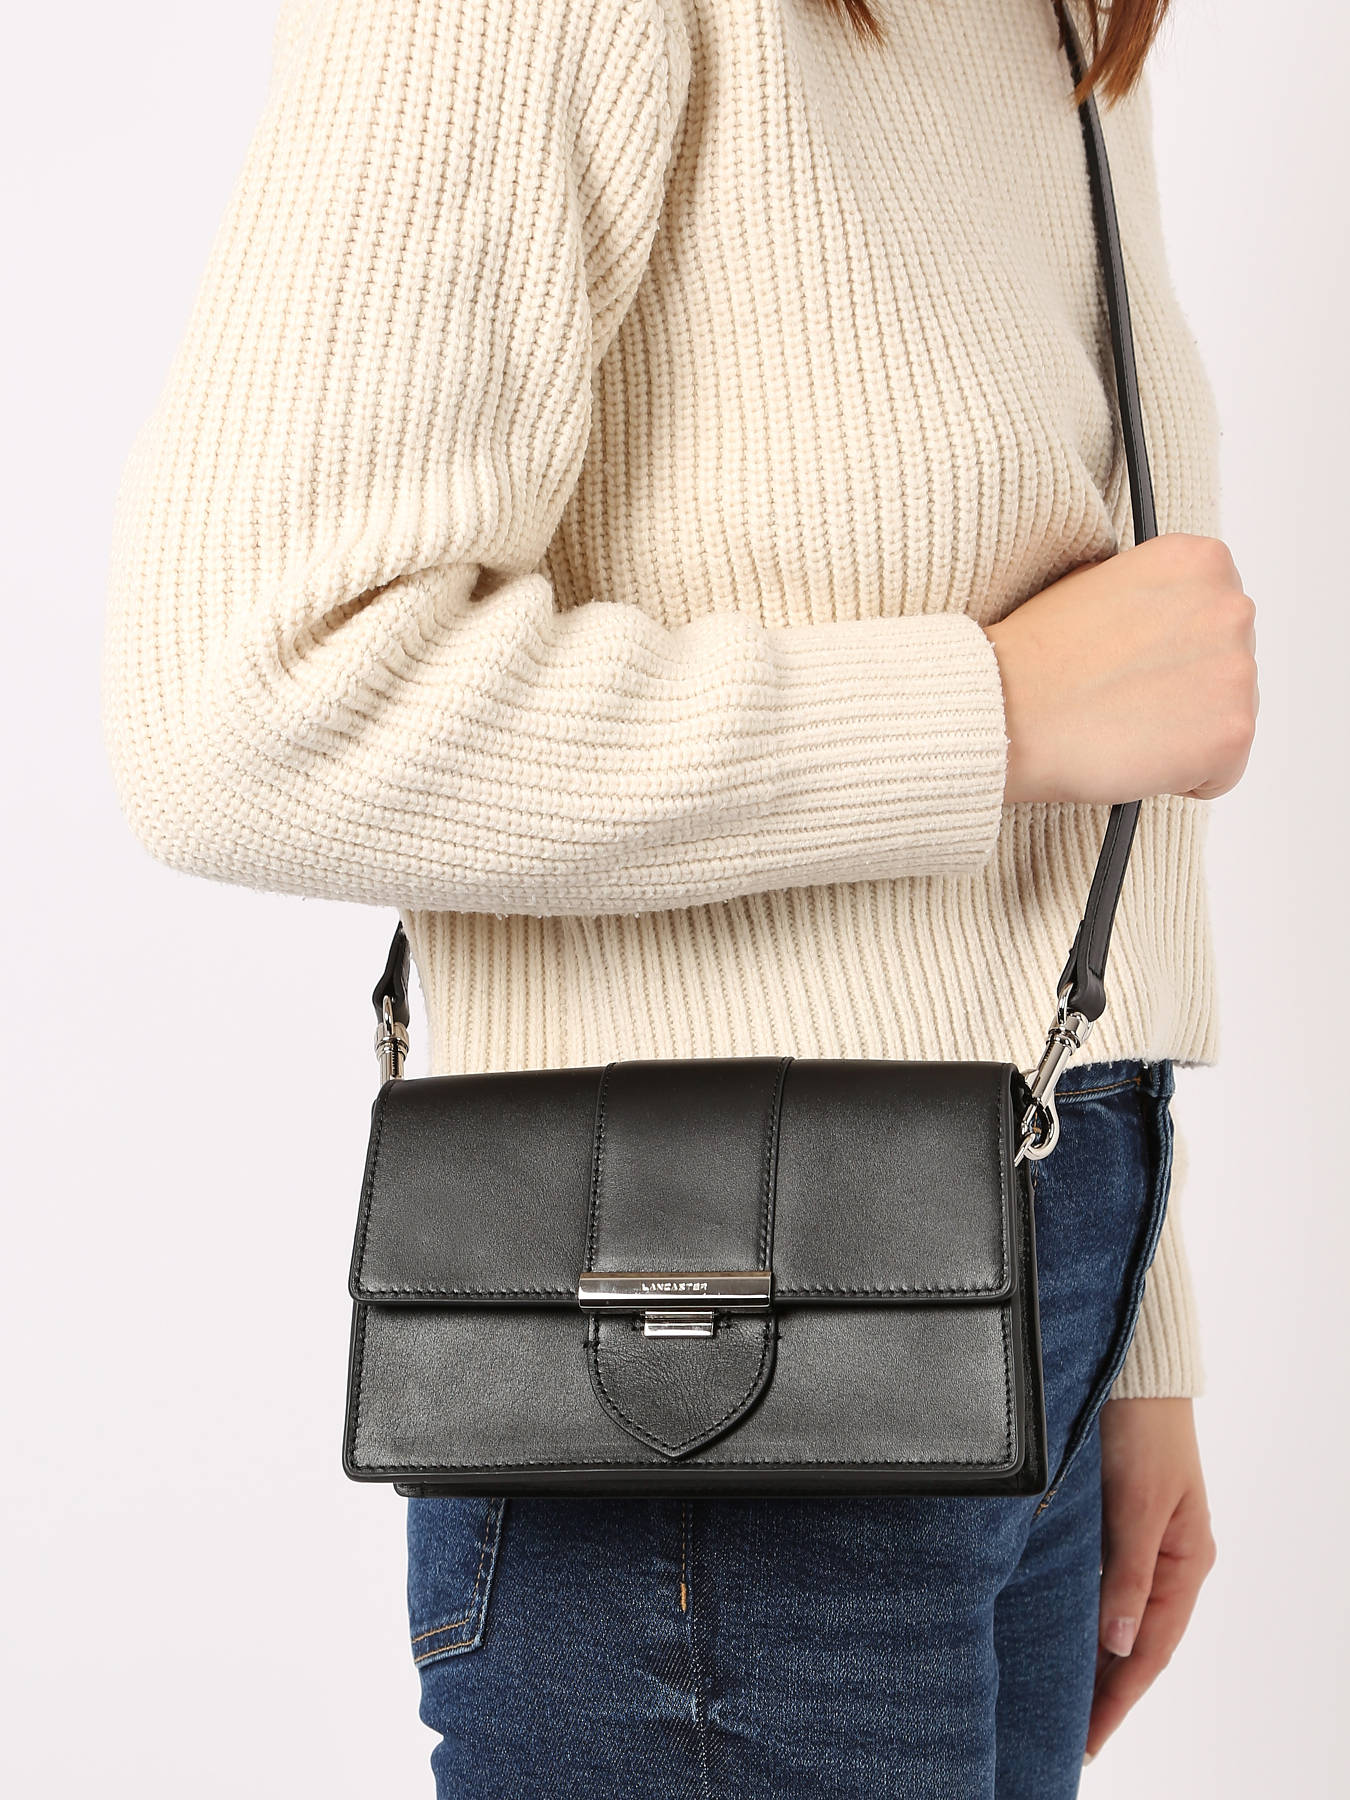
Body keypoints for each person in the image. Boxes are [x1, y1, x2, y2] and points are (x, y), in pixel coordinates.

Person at [101, 0, 1257, 1792]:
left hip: (1036, 1261)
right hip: (703, 1357)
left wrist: (1129, 1336)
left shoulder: (1057, 17)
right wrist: (987, 711)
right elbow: (249, 704)